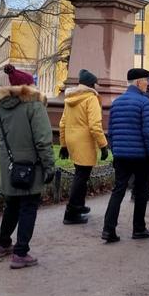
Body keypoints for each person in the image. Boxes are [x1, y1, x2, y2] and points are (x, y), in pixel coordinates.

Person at [0, 80, 55, 269]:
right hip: (30, 166)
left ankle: (3, 244)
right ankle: (20, 253)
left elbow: (2, 139)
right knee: (28, 207)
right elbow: (43, 139)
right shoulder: (35, 105)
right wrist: (49, 166)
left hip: (11, 165)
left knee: (12, 205)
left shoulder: (3, 105)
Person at [101, 68, 149, 243]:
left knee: (118, 190)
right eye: (146, 80)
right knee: (141, 191)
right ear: (138, 82)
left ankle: (108, 229)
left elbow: (111, 132)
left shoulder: (117, 102)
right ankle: (138, 228)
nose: (147, 84)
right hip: (140, 156)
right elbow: (148, 133)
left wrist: (115, 150)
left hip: (121, 156)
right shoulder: (145, 103)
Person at [60, 69, 109, 225]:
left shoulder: (70, 99)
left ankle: (79, 206)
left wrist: (63, 144)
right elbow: (95, 125)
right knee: (81, 177)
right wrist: (103, 145)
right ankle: (72, 212)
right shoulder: (91, 99)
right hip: (85, 142)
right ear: (91, 85)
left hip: (72, 141)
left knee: (80, 174)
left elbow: (62, 123)